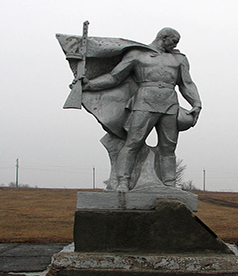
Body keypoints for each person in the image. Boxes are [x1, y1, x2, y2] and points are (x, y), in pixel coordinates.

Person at [82, 27, 202, 191]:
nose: (175, 46)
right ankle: (123, 181)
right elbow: (114, 77)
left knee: (168, 147)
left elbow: (186, 84)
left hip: (169, 104)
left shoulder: (179, 59)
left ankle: (169, 184)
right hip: (143, 102)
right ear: (164, 37)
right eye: (174, 41)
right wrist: (90, 84)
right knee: (133, 142)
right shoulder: (137, 55)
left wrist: (196, 103)